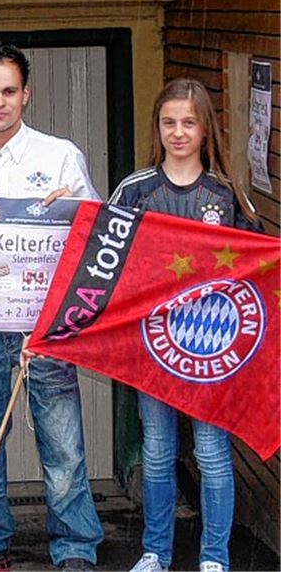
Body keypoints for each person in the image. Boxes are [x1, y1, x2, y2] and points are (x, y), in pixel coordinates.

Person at [0, 42, 104, 572]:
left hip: (44, 316)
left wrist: (71, 212)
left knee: (62, 442)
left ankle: (76, 547)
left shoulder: (58, 154)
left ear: (26, 94)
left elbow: (96, 231)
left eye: (8, 91)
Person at [109, 78, 260, 572]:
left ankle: (214, 559)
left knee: (213, 452)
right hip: (153, 347)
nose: (178, 132)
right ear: (158, 126)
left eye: (188, 123)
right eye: (169, 122)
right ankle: (155, 552)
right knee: (156, 450)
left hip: (212, 349)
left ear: (204, 130)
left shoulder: (226, 194)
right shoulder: (135, 190)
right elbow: (101, 262)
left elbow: (259, 264)